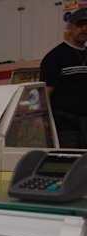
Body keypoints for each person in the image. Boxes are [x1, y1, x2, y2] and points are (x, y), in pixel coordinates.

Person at [41, 8, 87, 148]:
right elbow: (46, 92)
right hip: (65, 127)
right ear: (70, 27)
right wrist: (43, 119)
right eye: (80, 25)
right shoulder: (54, 57)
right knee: (70, 160)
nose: (84, 29)